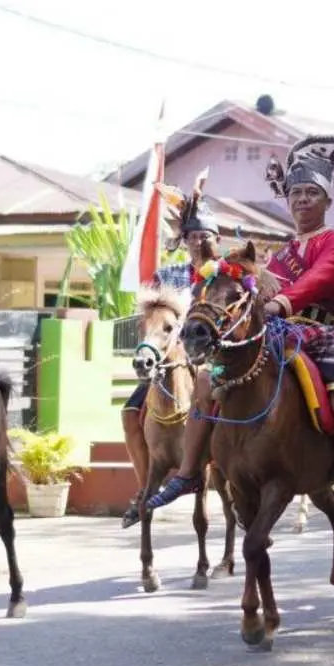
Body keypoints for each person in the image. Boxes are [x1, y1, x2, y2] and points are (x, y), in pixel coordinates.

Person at [143, 134, 334, 542]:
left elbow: (318, 280)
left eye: (310, 193)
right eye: (296, 193)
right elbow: (254, 287)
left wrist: (281, 303)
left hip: (326, 333)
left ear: (326, 201)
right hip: (279, 333)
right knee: (205, 378)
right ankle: (188, 473)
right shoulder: (281, 255)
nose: (302, 200)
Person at [120, 169, 219, 529]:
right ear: (184, 237)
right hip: (170, 362)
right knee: (131, 412)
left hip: (212, 360)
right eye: (191, 235)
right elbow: (154, 318)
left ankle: (234, 473)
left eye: (204, 235)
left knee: (223, 404)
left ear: (215, 238)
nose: (197, 241)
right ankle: (144, 488)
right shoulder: (169, 274)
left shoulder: (223, 275)